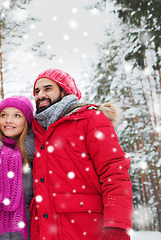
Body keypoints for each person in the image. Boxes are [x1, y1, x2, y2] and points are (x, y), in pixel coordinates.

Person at [30, 69, 133, 240]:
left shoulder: (91, 120)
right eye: (36, 91)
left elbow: (114, 173)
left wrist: (117, 224)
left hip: (85, 228)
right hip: (44, 229)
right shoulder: (36, 130)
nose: (40, 95)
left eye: (48, 89)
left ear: (64, 91)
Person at [0, 96, 35, 240]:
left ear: (26, 121)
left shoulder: (34, 158)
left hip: (25, 233)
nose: (8, 120)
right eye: (4, 115)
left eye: (17, 115)